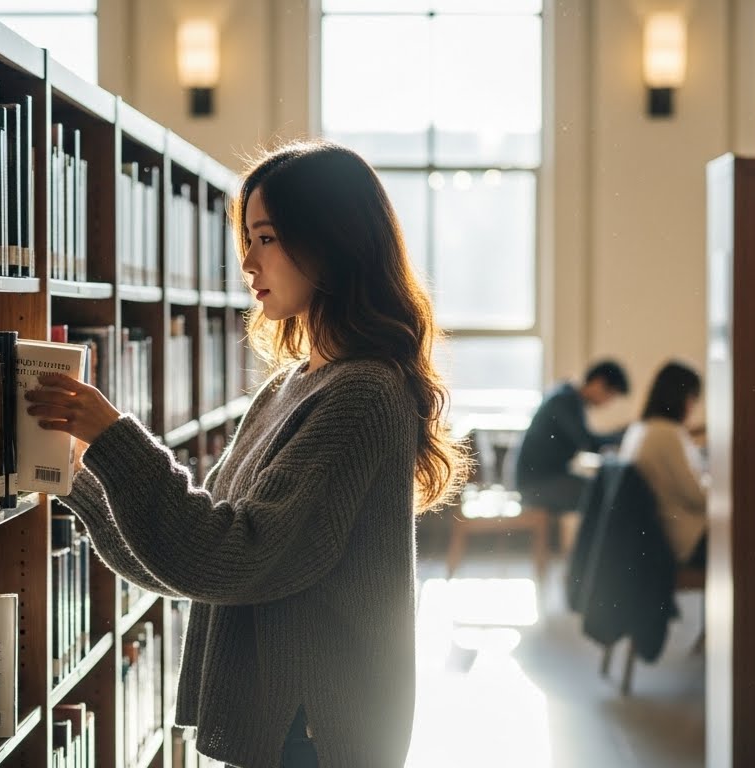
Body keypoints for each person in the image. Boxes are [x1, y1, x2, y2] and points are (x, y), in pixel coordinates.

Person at [25, 139, 469, 768]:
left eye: (265, 238)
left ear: (329, 241)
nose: (248, 263)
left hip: (315, 735)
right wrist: (76, 477)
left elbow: (233, 558)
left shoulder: (363, 394)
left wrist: (113, 439)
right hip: (288, 728)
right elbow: (192, 558)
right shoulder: (291, 386)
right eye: (248, 241)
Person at [617, 360, 708, 568]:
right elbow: (698, 498)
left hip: (657, 537)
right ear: (683, 398)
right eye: (694, 398)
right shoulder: (669, 434)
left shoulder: (639, 429)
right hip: (684, 541)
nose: (693, 407)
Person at [513, 360, 630, 516]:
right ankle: (594, 541)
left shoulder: (567, 397)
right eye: (610, 395)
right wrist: (622, 436)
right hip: (535, 485)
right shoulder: (565, 400)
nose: (608, 403)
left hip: (540, 481)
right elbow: (588, 442)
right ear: (598, 383)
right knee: (603, 492)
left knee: (601, 489)